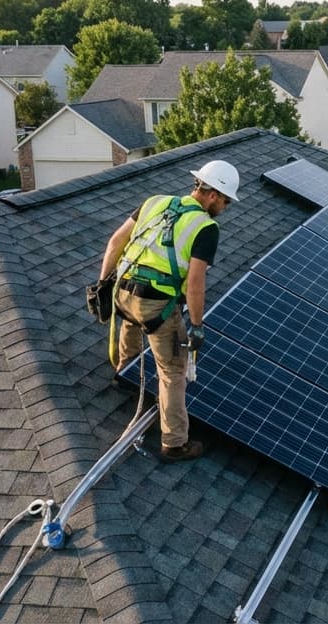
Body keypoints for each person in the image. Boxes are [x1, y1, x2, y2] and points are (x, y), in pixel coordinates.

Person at [97, 160, 239, 462]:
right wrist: (197, 326)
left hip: (121, 293)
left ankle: (125, 374)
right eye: (226, 200)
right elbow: (195, 285)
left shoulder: (155, 202)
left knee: (133, 322)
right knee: (173, 371)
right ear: (213, 195)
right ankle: (174, 442)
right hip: (155, 306)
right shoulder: (206, 227)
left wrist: (101, 285)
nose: (225, 207)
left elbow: (115, 242)